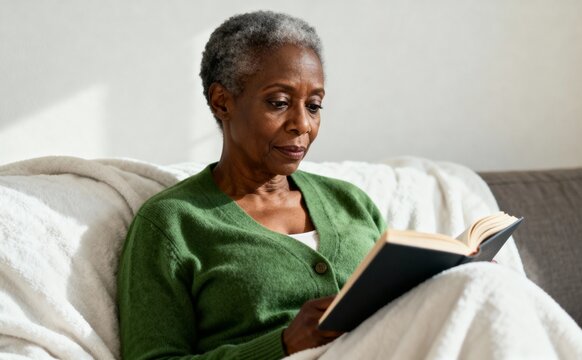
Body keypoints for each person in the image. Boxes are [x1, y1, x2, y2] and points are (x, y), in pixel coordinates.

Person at [117, 10, 386, 359]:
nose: (302, 124)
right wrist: (282, 345)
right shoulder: (172, 224)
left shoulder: (350, 202)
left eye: (314, 105)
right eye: (279, 103)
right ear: (222, 101)